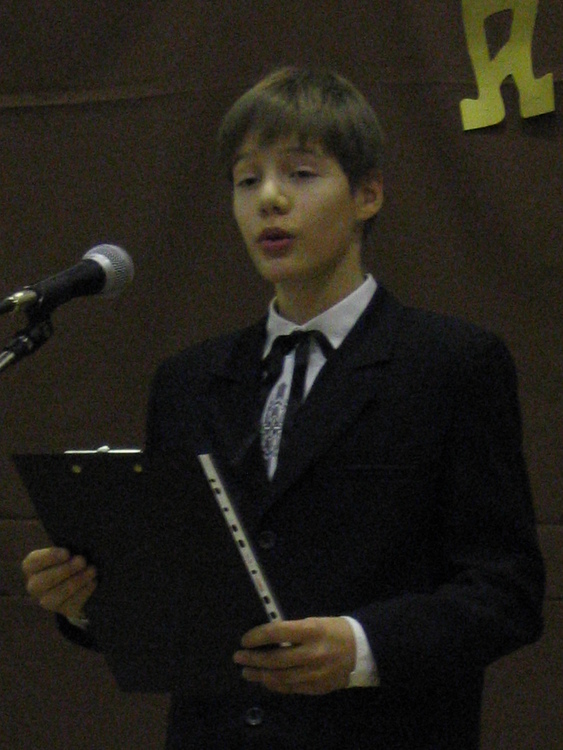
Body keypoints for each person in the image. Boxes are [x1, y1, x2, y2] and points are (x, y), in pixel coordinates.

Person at [22, 67, 545, 749]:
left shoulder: (449, 363)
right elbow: (177, 600)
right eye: (247, 181)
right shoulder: (189, 380)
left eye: (300, 174)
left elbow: (505, 592)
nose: (269, 199)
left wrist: (361, 646)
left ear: (367, 194)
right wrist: (90, 601)